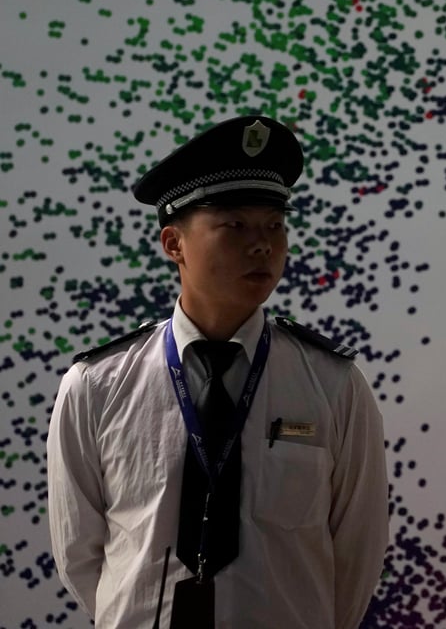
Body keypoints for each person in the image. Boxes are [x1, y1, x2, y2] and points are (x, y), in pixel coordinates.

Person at [46, 115, 390, 628]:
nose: (262, 245)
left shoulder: (334, 384)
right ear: (173, 245)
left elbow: (357, 549)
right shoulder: (97, 386)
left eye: (274, 225)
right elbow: (80, 553)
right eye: (234, 225)